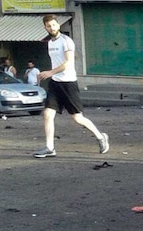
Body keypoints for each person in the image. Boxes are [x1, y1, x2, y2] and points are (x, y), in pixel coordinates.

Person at [35, 15, 109, 158]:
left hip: (68, 83)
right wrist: (51, 75)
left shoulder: (66, 41)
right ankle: (50, 148)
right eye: (49, 26)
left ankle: (101, 137)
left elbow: (68, 63)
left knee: (77, 118)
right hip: (55, 83)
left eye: (54, 25)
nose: (52, 28)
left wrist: (50, 72)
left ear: (58, 25)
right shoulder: (50, 43)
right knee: (48, 114)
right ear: (45, 27)